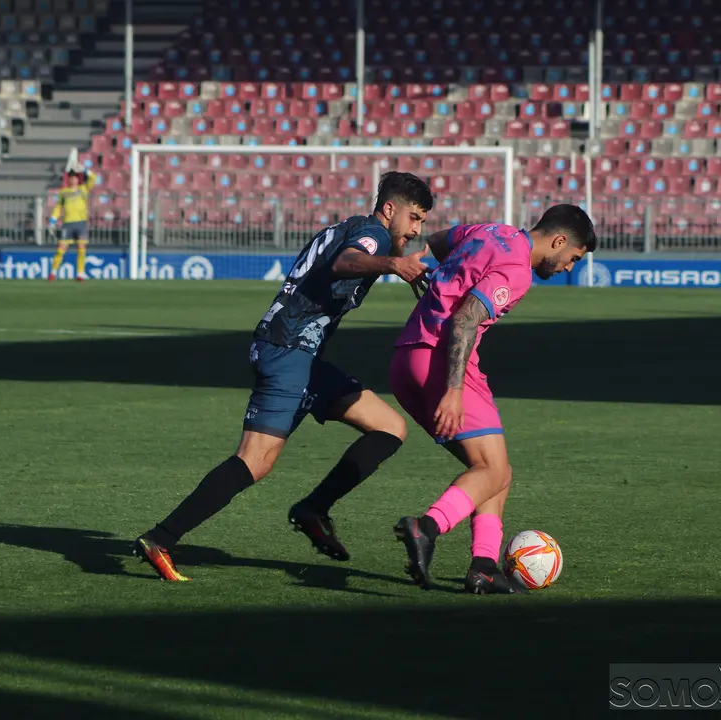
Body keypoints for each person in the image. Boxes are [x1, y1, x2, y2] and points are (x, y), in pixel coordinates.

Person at [133, 171, 435, 581]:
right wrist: (391, 264)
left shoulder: (349, 227)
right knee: (254, 461)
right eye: (414, 218)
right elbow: (347, 262)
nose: (417, 230)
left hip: (301, 357)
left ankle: (314, 508)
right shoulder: (373, 235)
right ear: (389, 209)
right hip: (287, 352)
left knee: (390, 427)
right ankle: (161, 537)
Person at [389, 205, 596, 595]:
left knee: (496, 470)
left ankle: (483, 566)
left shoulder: (490, 231)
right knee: (493, 469)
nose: (569, 267)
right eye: (573, 258)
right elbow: (465, 319)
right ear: (558, 241)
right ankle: (427, 527)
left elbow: (436, 241)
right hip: (441, 360)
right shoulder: (517, 269)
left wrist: (440, 280)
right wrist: (453, 390)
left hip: (406, 358)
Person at [48, 169, 96, 282]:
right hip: (67, 223)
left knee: (81, 248)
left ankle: (80, 274)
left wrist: (85, 170)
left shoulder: (83, 189)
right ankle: (53, 273)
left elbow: (93, 178)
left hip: (81, 222)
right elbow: (58, 207)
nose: (72, 179)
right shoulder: (63, 192)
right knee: (61, 249)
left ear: (77, 179)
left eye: (74, 177)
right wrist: (53, 220)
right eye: (70, 177)